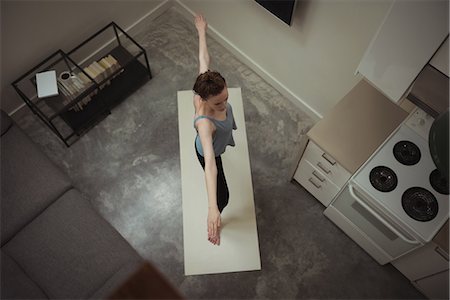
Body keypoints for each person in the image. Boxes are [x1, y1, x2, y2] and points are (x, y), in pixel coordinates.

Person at [192, 14, 237, 246]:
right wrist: (212, 208)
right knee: (224, 197)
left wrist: (201, 31)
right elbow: (210, 164)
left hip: (218, 137)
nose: (224, 105)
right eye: (218, 103)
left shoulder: (207, 83)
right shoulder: (204, 123)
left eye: (226, 98)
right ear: (204, 99)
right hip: (206, 149)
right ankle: (214, 222)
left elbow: (203, 58)